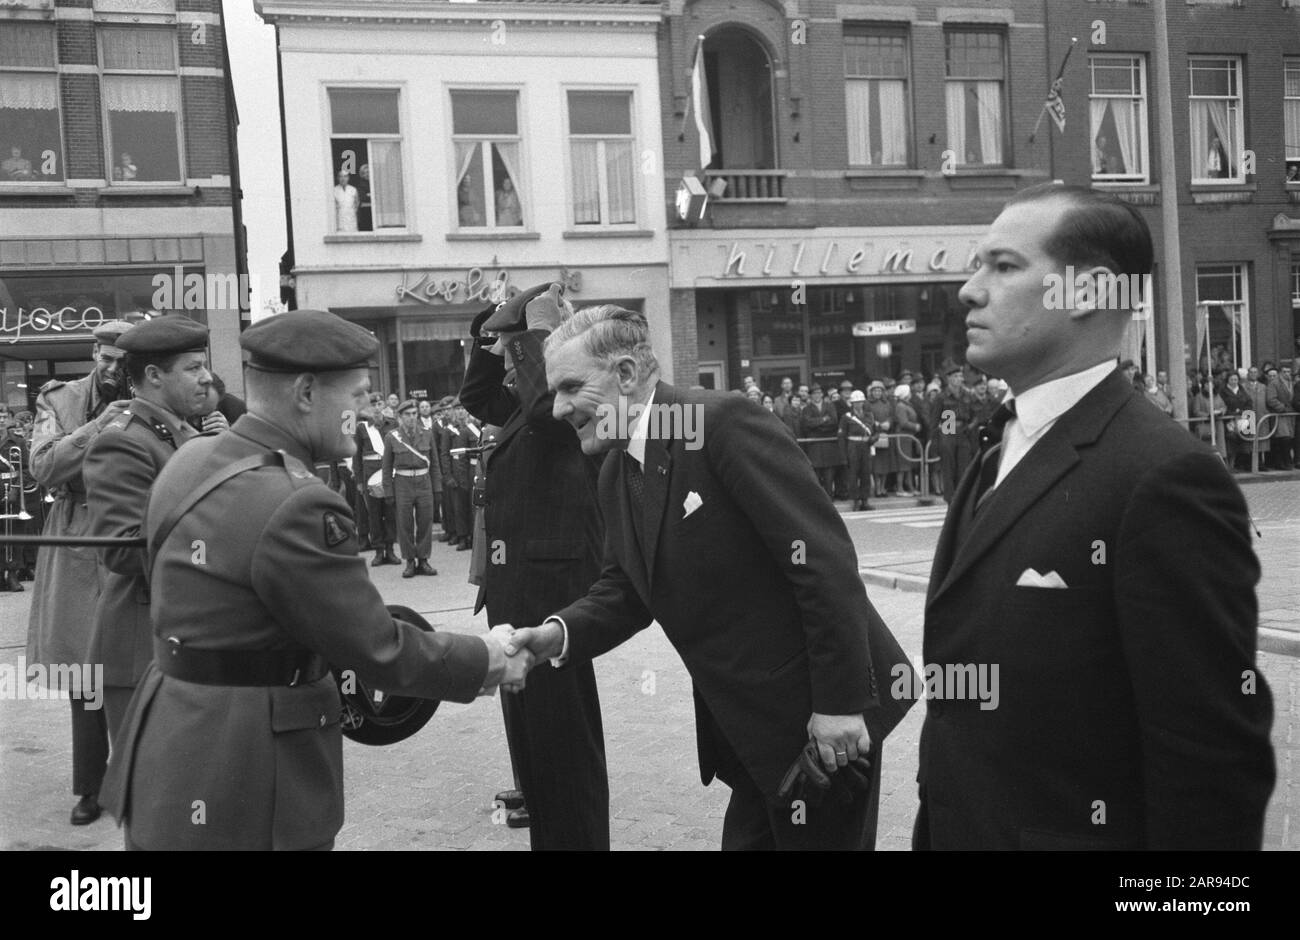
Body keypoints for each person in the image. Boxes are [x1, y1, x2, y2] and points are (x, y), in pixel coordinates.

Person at [915, 182, 1274, 850]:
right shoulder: (998, 446)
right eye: (976, 265)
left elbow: (1209, 763)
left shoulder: (1164, 477)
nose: (969, 290)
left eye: (1004, 266)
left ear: (1086, 292)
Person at [97, 309, 531, 851]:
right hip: (247, 772)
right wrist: (486, 657)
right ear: (306, 393)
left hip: (169, 745)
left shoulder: (191, 458)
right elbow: (377, 648)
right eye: (359, 395)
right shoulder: (299, 501)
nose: (367, 410)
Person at [504, 305, 915, 851]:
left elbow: (822, 561)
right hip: (751, 739)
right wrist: (553, 636)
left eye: (571, 388)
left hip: (823, 732)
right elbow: (624, 591)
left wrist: (839, 705)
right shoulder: (614, 470)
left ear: (625, 374)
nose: (557, 408)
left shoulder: (720, 423)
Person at [459, 282, 611, 850]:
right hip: (520, 589)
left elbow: (546, 407)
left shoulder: (570, 405)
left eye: (517, 350)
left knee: (562, 745)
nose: (509, 361)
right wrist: (491, 326)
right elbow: (477, 396)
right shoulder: (526, 408)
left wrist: (533, 325)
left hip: (554, 593)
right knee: (533, 744)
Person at [82, 315, 214, 743]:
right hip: (143, 650)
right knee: (153, 781)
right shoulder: (123, 441)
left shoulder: (181, 432)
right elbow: (121, 549)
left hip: (178, 642)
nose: (206, 377)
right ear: (154, 376)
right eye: (194, 368)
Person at [25, 319, 135, 826]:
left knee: (137, 661)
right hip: (75, 531)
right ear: (94, 353)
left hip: (132, 527)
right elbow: (44, 467)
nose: (113, 369)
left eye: (122, 361)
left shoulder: (151, 394)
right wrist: (99, 426)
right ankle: (90, 787)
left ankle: (135, 778)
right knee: (83, 669)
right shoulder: (59, 400)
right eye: (106, 358)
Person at [381, 399, 438, 578]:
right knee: (404, 523)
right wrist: (388, 492)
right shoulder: (392, 437)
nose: (412, 417)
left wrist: (437, 488)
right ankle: (410, 561)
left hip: (424, 481)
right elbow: (386, 467)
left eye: (414, 414)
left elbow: (435, 463)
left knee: (425, 521)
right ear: (400, 417)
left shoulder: (427, 434)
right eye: (407, 414)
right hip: (402, 483)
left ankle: (423, 559)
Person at [353, 399, 397, 564]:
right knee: (374, 514)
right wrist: (359, 480)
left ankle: (390, 549)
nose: (377, 408)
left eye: (380, 405)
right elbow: (356, 456)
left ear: (384, 406)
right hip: (370, 475)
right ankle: (379, 550)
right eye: (373, 405)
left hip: (389, 473)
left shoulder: (392, 424)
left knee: (390, 513)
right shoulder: (362, 428)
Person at [798, 385, 842, 500]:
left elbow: (834, 422)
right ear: (811, 396)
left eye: (819, 393)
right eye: (814, 393)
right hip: (815, 446)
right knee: (816, 475)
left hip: (828, 445)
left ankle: (829, 499)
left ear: (822, 394)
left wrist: (817, 426)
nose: (817, 395)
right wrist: (824, 419)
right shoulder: (807, 409)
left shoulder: (830, 406)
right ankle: (818, 501)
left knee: (829, 476)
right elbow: (807, 424)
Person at [935, 366, 972, 499]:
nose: (959, 379)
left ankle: (961, 498)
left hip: (963, 431)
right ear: (948, 378)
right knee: (949, 468)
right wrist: (934, 441)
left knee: (964, 467)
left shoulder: (967, 395)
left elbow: (974, 415)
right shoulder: (941, 397)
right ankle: (950, 499)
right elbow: (934, 420)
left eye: (960, 376)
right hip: (948, 428)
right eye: (955, 376)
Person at [838, 390, 875, 511]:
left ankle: (865, 500)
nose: (858, 404)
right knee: (853, 475)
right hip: (853, 447)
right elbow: (841, 437)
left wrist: (873, 439)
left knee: (866, 474)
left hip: (866, 446)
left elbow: (875, 431)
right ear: (852, 403)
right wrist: (843, 456)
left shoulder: (869, 415)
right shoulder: (846, 417)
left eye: (860, 402)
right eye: (856, 402)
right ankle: (855, 501)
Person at [864, 381, 894, 498]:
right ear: (871, 392)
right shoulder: (867, 403)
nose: (877, 393)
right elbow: (866, 417)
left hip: (885, 434)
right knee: (876, 465)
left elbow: (891, 416)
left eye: (879, 390)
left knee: (885, 464)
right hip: (874, 435)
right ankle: (877, 488)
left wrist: (889, 422)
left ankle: (883, 487)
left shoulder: (887, 403)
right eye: (875, 391)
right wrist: (875, 423)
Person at [891, 384, 922, 497]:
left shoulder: (906, 405)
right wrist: (915, 426)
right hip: (903, 436)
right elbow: (903, 422)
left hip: (908, 436)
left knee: (908, 463)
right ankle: (900, 488)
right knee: (903, 463)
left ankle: (910, 487)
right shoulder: (901, 406)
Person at [1242, 366, 1271, 470]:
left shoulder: (1263, 387)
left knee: (1261, 440)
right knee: (1248, 440)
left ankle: (1260, 463)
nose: (1253, 374)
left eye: (1255, 372)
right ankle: (1248, 464)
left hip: (1261, 415)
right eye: (1251, 372)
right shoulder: (1243, 386)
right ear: (1248, 374)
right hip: (1248, 415)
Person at [1266, 365, 1294, 470]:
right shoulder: (1274, 384)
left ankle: (1286, 462)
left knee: (1288, 438)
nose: (1287, 374)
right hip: (1279, 414)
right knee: (1283, 437)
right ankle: (1283, 462)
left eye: (1288, 371)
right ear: (1280, 373)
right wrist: (1282, 408)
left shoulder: (1291, 383)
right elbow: (1271, 399)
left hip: (1290, 415)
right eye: (1284, 371)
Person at [333, 168, 358, 232]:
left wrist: (353, 211)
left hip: (351, 217)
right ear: (338, 178)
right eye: (341, 176)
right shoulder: (334, 190)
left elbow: (357, 202)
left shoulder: (353, 189)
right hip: (340, 217)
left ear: (348, 178)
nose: (343, 179)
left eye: (345, 176)